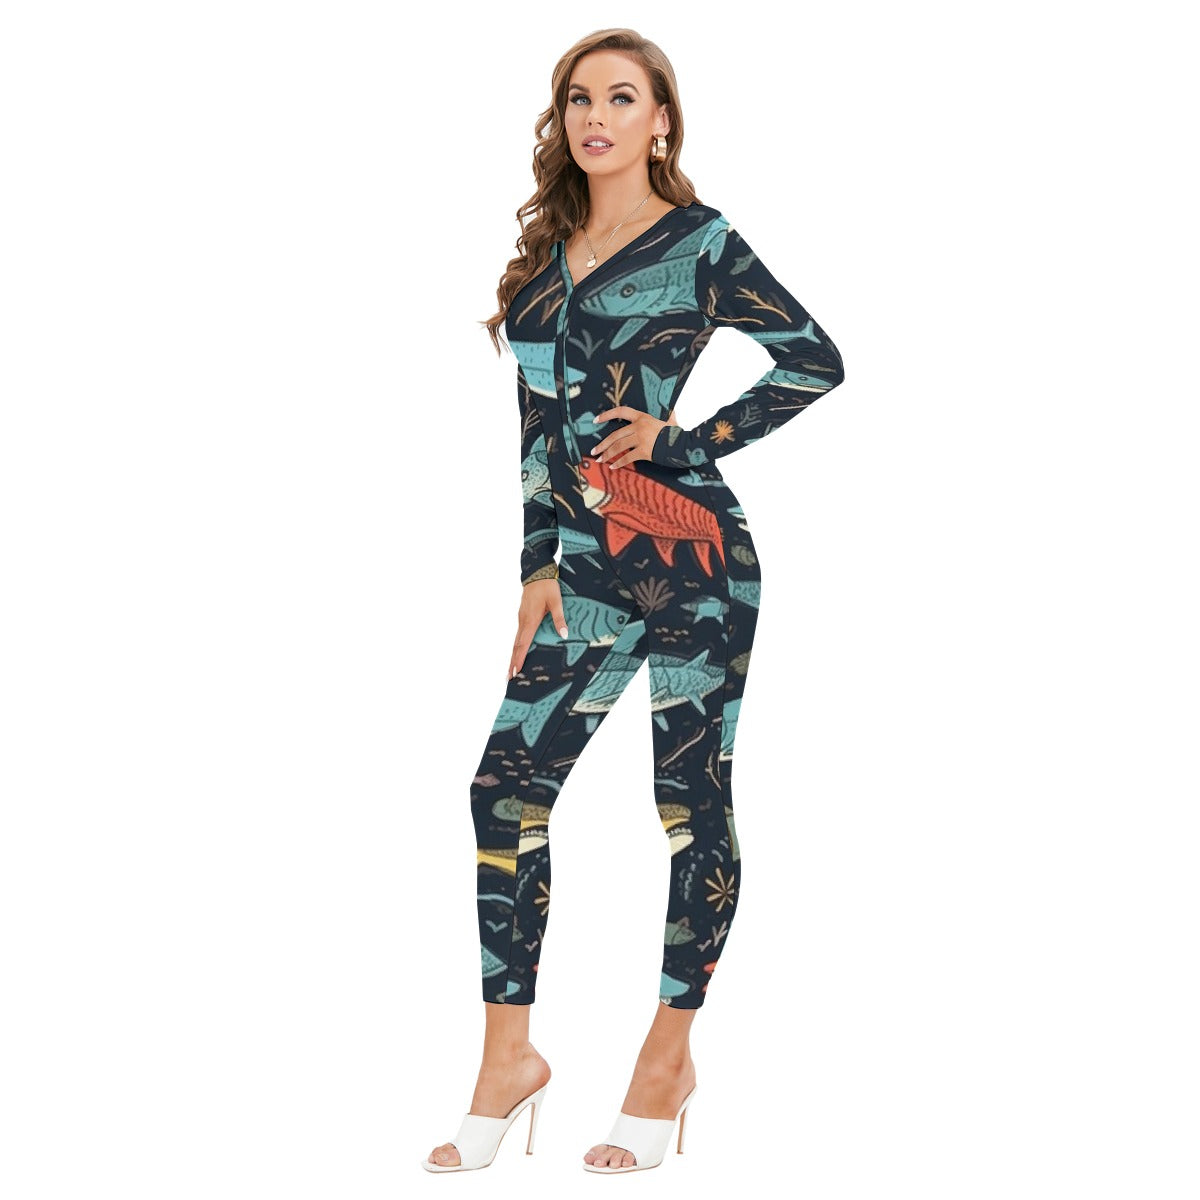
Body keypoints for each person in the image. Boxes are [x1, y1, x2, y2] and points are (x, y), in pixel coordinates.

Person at [422, 27, 845, 1174]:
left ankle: (667, 1058)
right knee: (503, 790)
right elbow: (535, 434)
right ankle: (508, 1060)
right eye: (577, 98)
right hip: (585, 572)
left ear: (661, 120)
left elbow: (814, 359)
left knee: (687, 801)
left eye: (620, 98)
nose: (594, 117)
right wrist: (537, 569)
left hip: (696, 556)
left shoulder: (700, 242)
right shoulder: (547, 259)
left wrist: (687, 440)